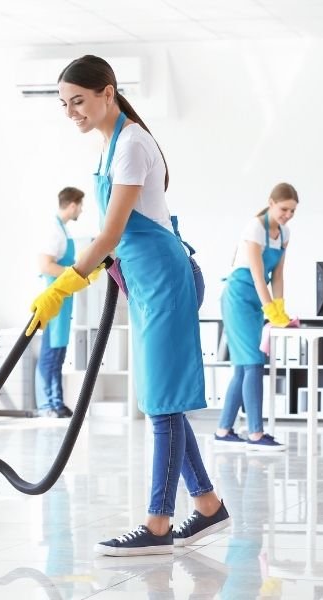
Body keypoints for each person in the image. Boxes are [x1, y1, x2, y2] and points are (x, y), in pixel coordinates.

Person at [26, 54, 230, 557]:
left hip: (165, 279)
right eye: (64, 104)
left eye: (78, 100)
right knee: (163, 401)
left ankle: (157, 525)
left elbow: (113, 231)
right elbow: (115, 235)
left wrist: (64, 285)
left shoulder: (132, 143)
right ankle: (207, 507)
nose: (71, 111)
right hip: (144, 280)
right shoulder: (108, 146)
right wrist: (99, 270)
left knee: (160, 405)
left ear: (107, 92)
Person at [214, 184, 299, 451]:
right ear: (271, 203)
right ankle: (255, 433)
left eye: (293, 211)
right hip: (239, 297)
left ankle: (224, 429)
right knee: (253, 362)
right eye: (284, 209)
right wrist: (270, 310)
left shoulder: (284, 233)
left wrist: (280, 307)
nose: (287, 215)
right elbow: (256, 273)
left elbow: (278, 275)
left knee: (243, 366)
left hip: (257, 299)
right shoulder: (254, 228)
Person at [35, 186, 85, 418]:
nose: (81, 210)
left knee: (59, 353)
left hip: (64, 299)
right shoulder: (53, 231)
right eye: (81, 205)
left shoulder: (63, 230)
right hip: (54, 297)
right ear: (73, 204)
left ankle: (57, 402)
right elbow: (46, 265)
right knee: (50, 352)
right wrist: (72, 274)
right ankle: (47, 404)